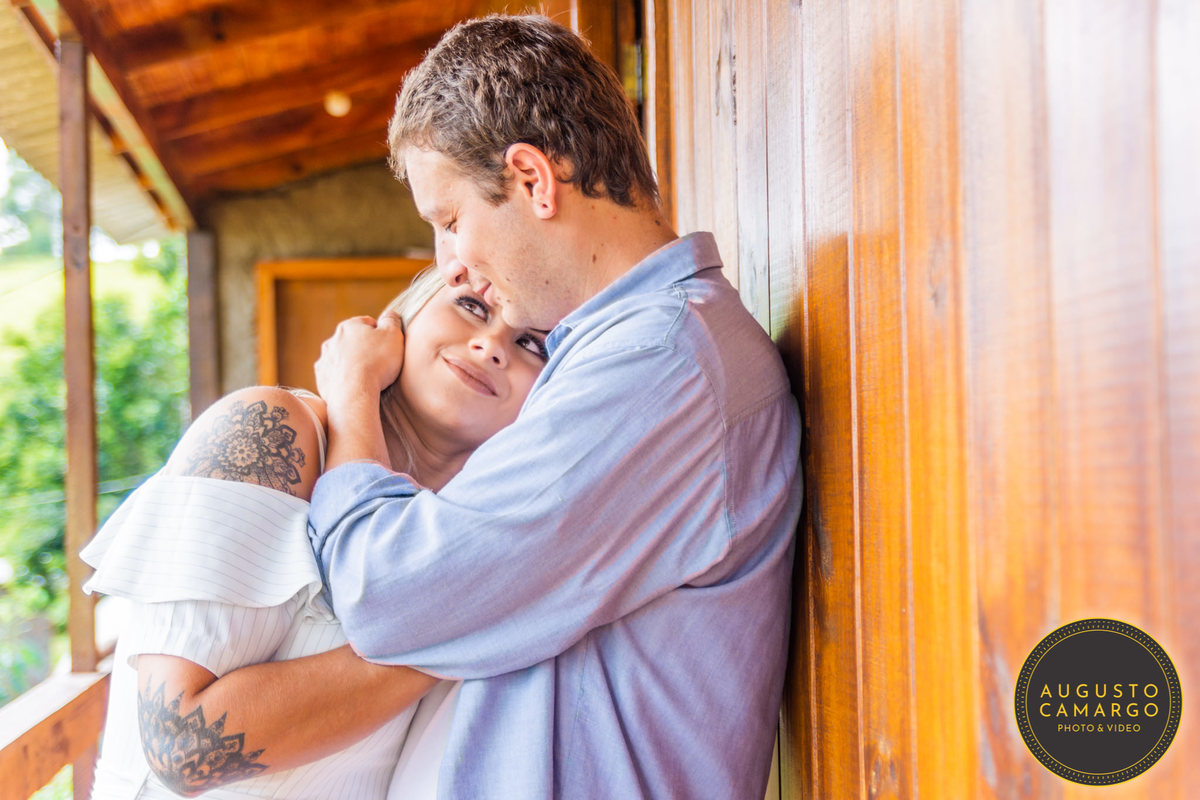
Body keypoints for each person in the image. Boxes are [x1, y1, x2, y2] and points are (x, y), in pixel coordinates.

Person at [309, 13, 803, 800]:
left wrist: (351, 406)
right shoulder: (631, 351)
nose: (451, 265)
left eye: (450, 221)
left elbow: (391, 596)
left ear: (534, 180)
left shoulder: (658, 365)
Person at [81, 266, 550, 799]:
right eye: (472, 306)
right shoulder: (268, 432)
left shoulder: (479, 530)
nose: (491, 346)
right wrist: (474, 628)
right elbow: (184, 748)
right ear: (404, 317)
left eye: (531, 344)